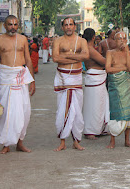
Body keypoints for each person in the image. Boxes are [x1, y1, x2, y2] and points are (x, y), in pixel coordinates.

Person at [0, 15, 36, 154]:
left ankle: (20, 143)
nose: (13, 27)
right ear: (5, 25)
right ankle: (6, 144)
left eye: (16, 24)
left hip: (21, 77)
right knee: (6, 113)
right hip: (6, 78)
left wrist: (32, 80)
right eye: (10, 24)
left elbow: (28, 60)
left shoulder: (22, 39)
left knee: (24, 111)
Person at [52, 17, 89, 151]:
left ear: (75, 26)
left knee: (77, 111)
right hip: (63, 78)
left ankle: (76, 141)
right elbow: (55, 58)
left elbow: (86, 56)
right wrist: (75, 57)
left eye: (71, 24)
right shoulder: (58, 41)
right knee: (63, 110)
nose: (68, 27)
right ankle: (62, 141)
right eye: (66, 25)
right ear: (62, 27)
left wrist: (67, 57)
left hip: (76, 79)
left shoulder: (82, 41)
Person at [106, 32, 130, 149]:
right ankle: (112, 140)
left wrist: (127, 51)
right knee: (114, 112)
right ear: (114, 41)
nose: (122, 41)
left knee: (128, 114)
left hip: (128, 87)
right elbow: (108, 69)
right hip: (115, 87)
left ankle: (127, 140)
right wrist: (123, 68)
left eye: (124, 38)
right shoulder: (110, 53)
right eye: (119, 39)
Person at [82, 28, 109, 140]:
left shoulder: (88, 48)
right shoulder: (90, 49)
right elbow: (104, 62)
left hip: (96, 77)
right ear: (93, 37)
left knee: (101, 104)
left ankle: (99, 128)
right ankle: (90, 130)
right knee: (94, 105)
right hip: (94, 77)